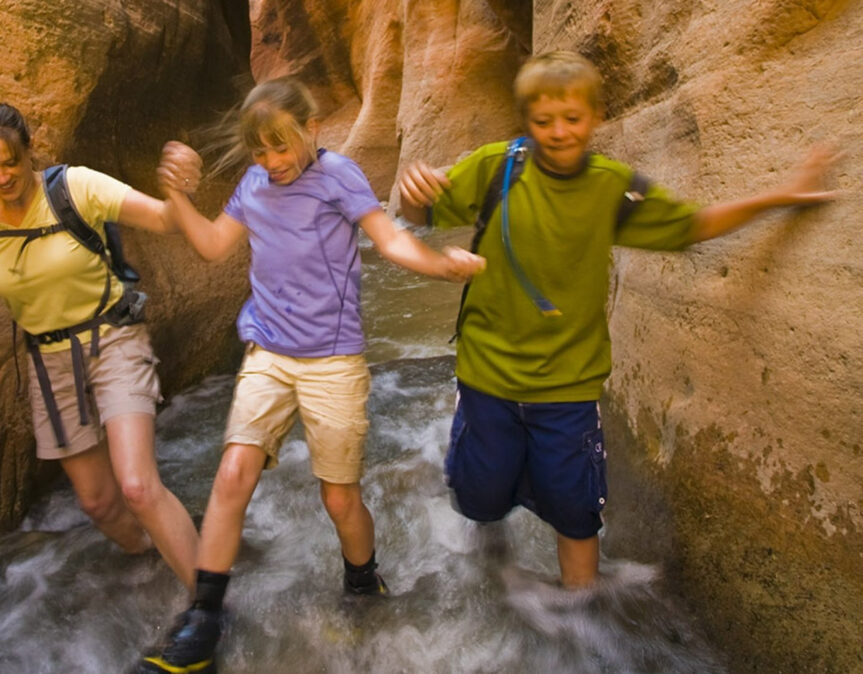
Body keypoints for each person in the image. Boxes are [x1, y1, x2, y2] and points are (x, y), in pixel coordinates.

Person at [396, 50, 840, 589]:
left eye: (572, 118)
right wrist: (412, 191)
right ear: (526, 122)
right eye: (542, 121)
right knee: (480, 500)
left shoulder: (613, 187)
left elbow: (690, 226)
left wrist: (781, 195)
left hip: (568, 387)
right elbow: (419, 216)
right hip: (486, 377)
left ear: (596, 115)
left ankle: (581, 622)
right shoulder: (497, 167)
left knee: (576, 513)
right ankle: (493, 591)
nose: (558, 132)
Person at [137, 77, 487, 673]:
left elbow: (389, 242)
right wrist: (177, 198)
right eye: (260, 150)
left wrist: (439, 263)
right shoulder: (253, 184)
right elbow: (215, 247)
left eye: (281, 145)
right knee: (232, 474)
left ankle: (362, 583)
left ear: (312, 129)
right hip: (268, 352)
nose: (272, 162)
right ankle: (204, 615)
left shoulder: (339, 175)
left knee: (338, 497)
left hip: (332, 360)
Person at [0, 103, 200, 590]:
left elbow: (167, 220)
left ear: (29, 152)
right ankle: (157, 559)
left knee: (136, 486)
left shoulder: (75, 188)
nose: (2, 176)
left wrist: (179, 192)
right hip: (49, 363)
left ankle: (208, 603)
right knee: (98, 504)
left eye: (11, 162)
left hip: (113, 340)